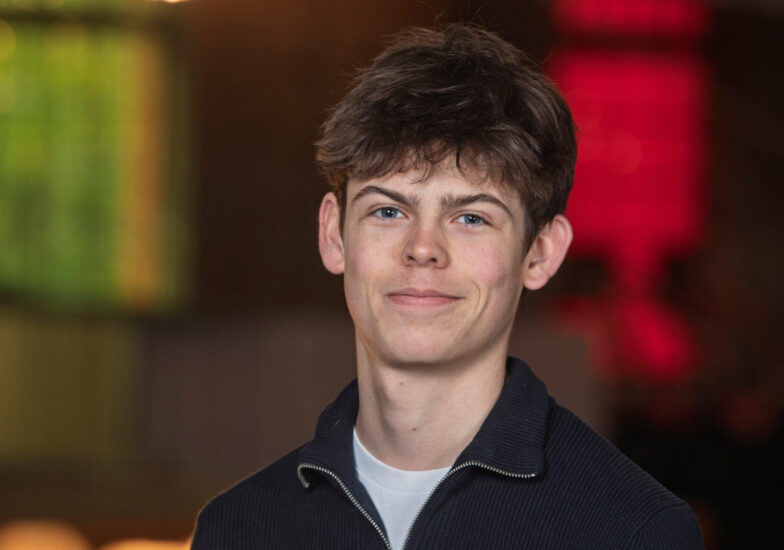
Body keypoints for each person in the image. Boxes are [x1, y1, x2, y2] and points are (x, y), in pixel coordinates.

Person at [191, 23, 704, 550]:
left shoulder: (632, 531)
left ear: (541, 253)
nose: (422, 248)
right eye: (388, 211)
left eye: (471, 218)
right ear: (333, 235)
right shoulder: (237, 530)